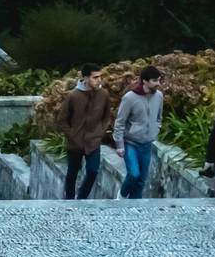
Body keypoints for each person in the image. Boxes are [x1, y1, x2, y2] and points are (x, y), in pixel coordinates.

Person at [56, 63, 110, 200]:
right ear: (85, 78)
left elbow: (107, 117)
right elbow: (62, 120)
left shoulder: (103, 94)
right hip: (76, 143)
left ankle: (81, 199)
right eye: (95, 77)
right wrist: (72, 135)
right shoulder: (73, 96)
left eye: (100, 77)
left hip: (94, 142)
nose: (99, 80)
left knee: (93, 171)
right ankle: (69, 200)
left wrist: (100, 132)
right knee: (72, 173)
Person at [113, 65, 165, 199]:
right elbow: (120, 122)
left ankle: (135, 207)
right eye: (154, 80)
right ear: (145, 81)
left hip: (147, 144)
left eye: (159, 80)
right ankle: (122, 196)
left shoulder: (159, 96)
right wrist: (119, 145)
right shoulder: (130, 98)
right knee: (134, 174)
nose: (158, 83)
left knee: (142, 180)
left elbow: (159, 117)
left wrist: (156, 129)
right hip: (131, 143)